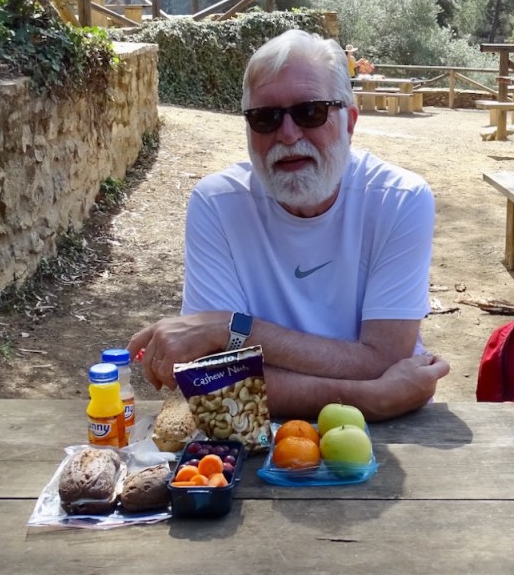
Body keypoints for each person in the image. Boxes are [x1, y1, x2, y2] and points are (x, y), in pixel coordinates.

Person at [128, 29, 449, 421]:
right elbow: (212, 379)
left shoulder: (399, 199)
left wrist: (230, 329)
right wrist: (370, 397)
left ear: (349, 122)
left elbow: (385, 359)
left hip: (387, 437)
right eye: (265, 118)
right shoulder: (217, 204)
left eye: (310, 112)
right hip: (260, 436)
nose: (289, 134)